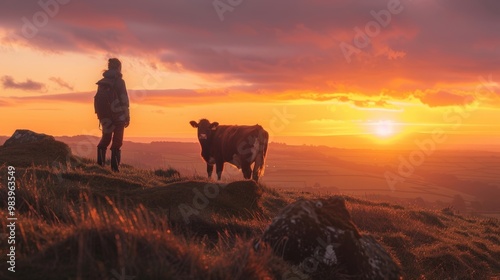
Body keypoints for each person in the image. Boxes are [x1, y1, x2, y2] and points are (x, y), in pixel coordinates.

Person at [96, 58, 130, 172]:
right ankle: (115, 169)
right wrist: (127, 116)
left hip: (104, 116)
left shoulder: (102, 82)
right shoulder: (120, 81)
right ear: (118, 67)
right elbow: (124, 100)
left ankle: (100, 166)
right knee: (117, 141)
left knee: (105, 139)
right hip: (118, 116)